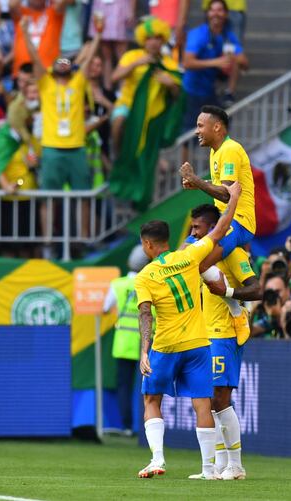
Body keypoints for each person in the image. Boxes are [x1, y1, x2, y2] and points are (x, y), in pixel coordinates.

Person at [135, 181, 241, 480]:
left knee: (152, 400)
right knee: (202, 404)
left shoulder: (145, 276)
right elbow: (220, 230)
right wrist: (232, 198)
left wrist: (145, 351)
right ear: (168, 240)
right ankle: (209, 469)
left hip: (166, 346)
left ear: (148, 244)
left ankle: (157, 459)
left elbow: (145, 314)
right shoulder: (189, 256)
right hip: (198, 343)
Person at [186, 203, 261, 480]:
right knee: (210, 400)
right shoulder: (199, 252)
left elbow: (257, 289)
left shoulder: (232, 252)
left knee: (220, 398)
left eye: (197, 227)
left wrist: (228, 290)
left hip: (225, 333)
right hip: (205, 334)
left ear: (213, 227)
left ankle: (236, 465)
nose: (193, 232)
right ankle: (218, 464)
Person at [21, 13, 103, 255]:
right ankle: (47, 242)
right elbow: (35, 57)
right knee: (49, 197)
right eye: (58, 61)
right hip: (52, 148)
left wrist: (98, 33)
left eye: (66, 61)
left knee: (83, 196)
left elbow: (87, 62)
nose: (62, 63)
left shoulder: (78, 82)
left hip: (77, 147)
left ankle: (85, 238)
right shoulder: (45, 84)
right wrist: (26, 32)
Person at [109, 16, 185, 210]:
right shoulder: (132, 56)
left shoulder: (169, 64)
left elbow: (178, 96)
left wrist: (171, 85)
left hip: (152, 117)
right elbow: (114, 77)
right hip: (128, 106)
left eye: (158, 38)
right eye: (150, 37)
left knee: (148, 159)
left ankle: (143, 199)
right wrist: (137, 64)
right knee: (118, 121)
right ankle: (119, 155)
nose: (154, 42)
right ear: (143, 39)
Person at [179, 105, 255, 271]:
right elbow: (223, 184)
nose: (195, 132)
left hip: (239, 222)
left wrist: (195, 179)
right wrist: (200, 182)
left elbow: (227, 195)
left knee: (196, 267)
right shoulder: (216, 151)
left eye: (200, 126)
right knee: (181, 255)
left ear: (216, 126)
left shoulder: (230, 149)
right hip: (221, 220)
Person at [103, 244, 149, 436]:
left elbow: (105, 308)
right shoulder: (148, 282)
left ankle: (128, 426)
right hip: (146, 343)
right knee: (147, 387)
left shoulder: (118, 284)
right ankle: (146, 425)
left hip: (123, 343)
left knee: (124, 385)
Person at [182, 0, 247, 128]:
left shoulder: (228, 36)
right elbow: (187, 62)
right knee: (189, 135)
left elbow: (245, 63)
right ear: (207, 13)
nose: (216, 14)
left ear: (226, 14)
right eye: (212, 10)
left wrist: (232, 57)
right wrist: (216, 62)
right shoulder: (198, 34)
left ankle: (229, 93)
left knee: (219, 125)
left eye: (220, 10)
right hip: (192, 91)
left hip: (210, 90)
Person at [9, 0, 66, 78]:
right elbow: (12, 4)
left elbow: (61, 2)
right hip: (22, 75)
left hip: (48, 73)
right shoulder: (22, 12)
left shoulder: (53, 11)